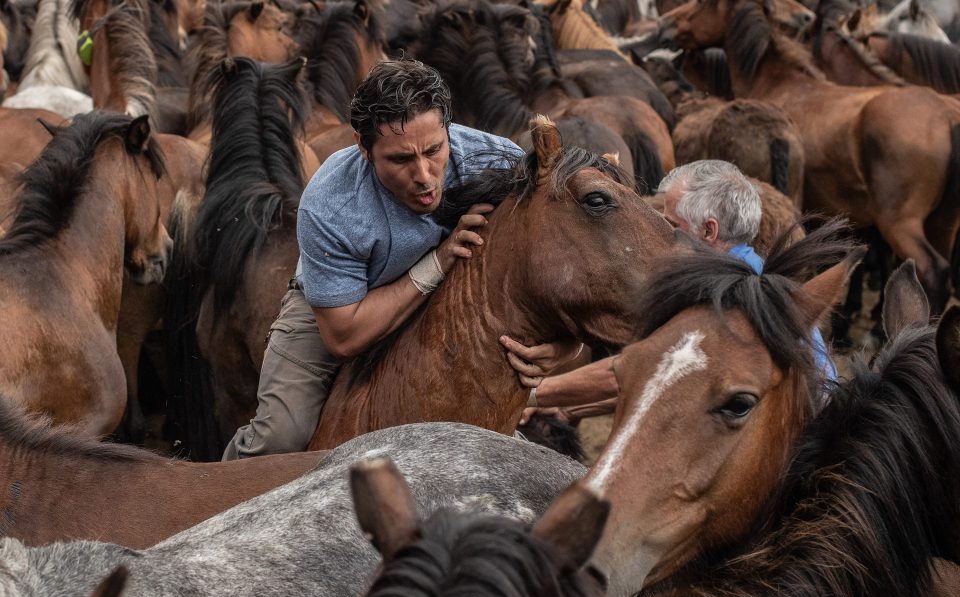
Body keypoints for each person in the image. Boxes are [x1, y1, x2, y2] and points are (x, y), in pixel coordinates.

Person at [224, 59, 530, 459]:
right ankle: (216, 505)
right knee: (280, 436)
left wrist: (561, 352)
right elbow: (342, 336)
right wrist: (436, 263)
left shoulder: (497, 161)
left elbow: (546, 260)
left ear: (447, 130)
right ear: (363, 147)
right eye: (400, 160)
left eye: (434, 150)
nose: (424, 174)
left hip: (453, 294)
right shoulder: (331, 204)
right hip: (344, 302)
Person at [500, 159, 836, 421]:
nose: (660, 236)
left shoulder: (725, 293)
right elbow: (669, 384)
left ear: (708, 230)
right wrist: (571, 409)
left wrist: (536, 393)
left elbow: (639, 371)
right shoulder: (749, 269)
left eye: (671, 226)